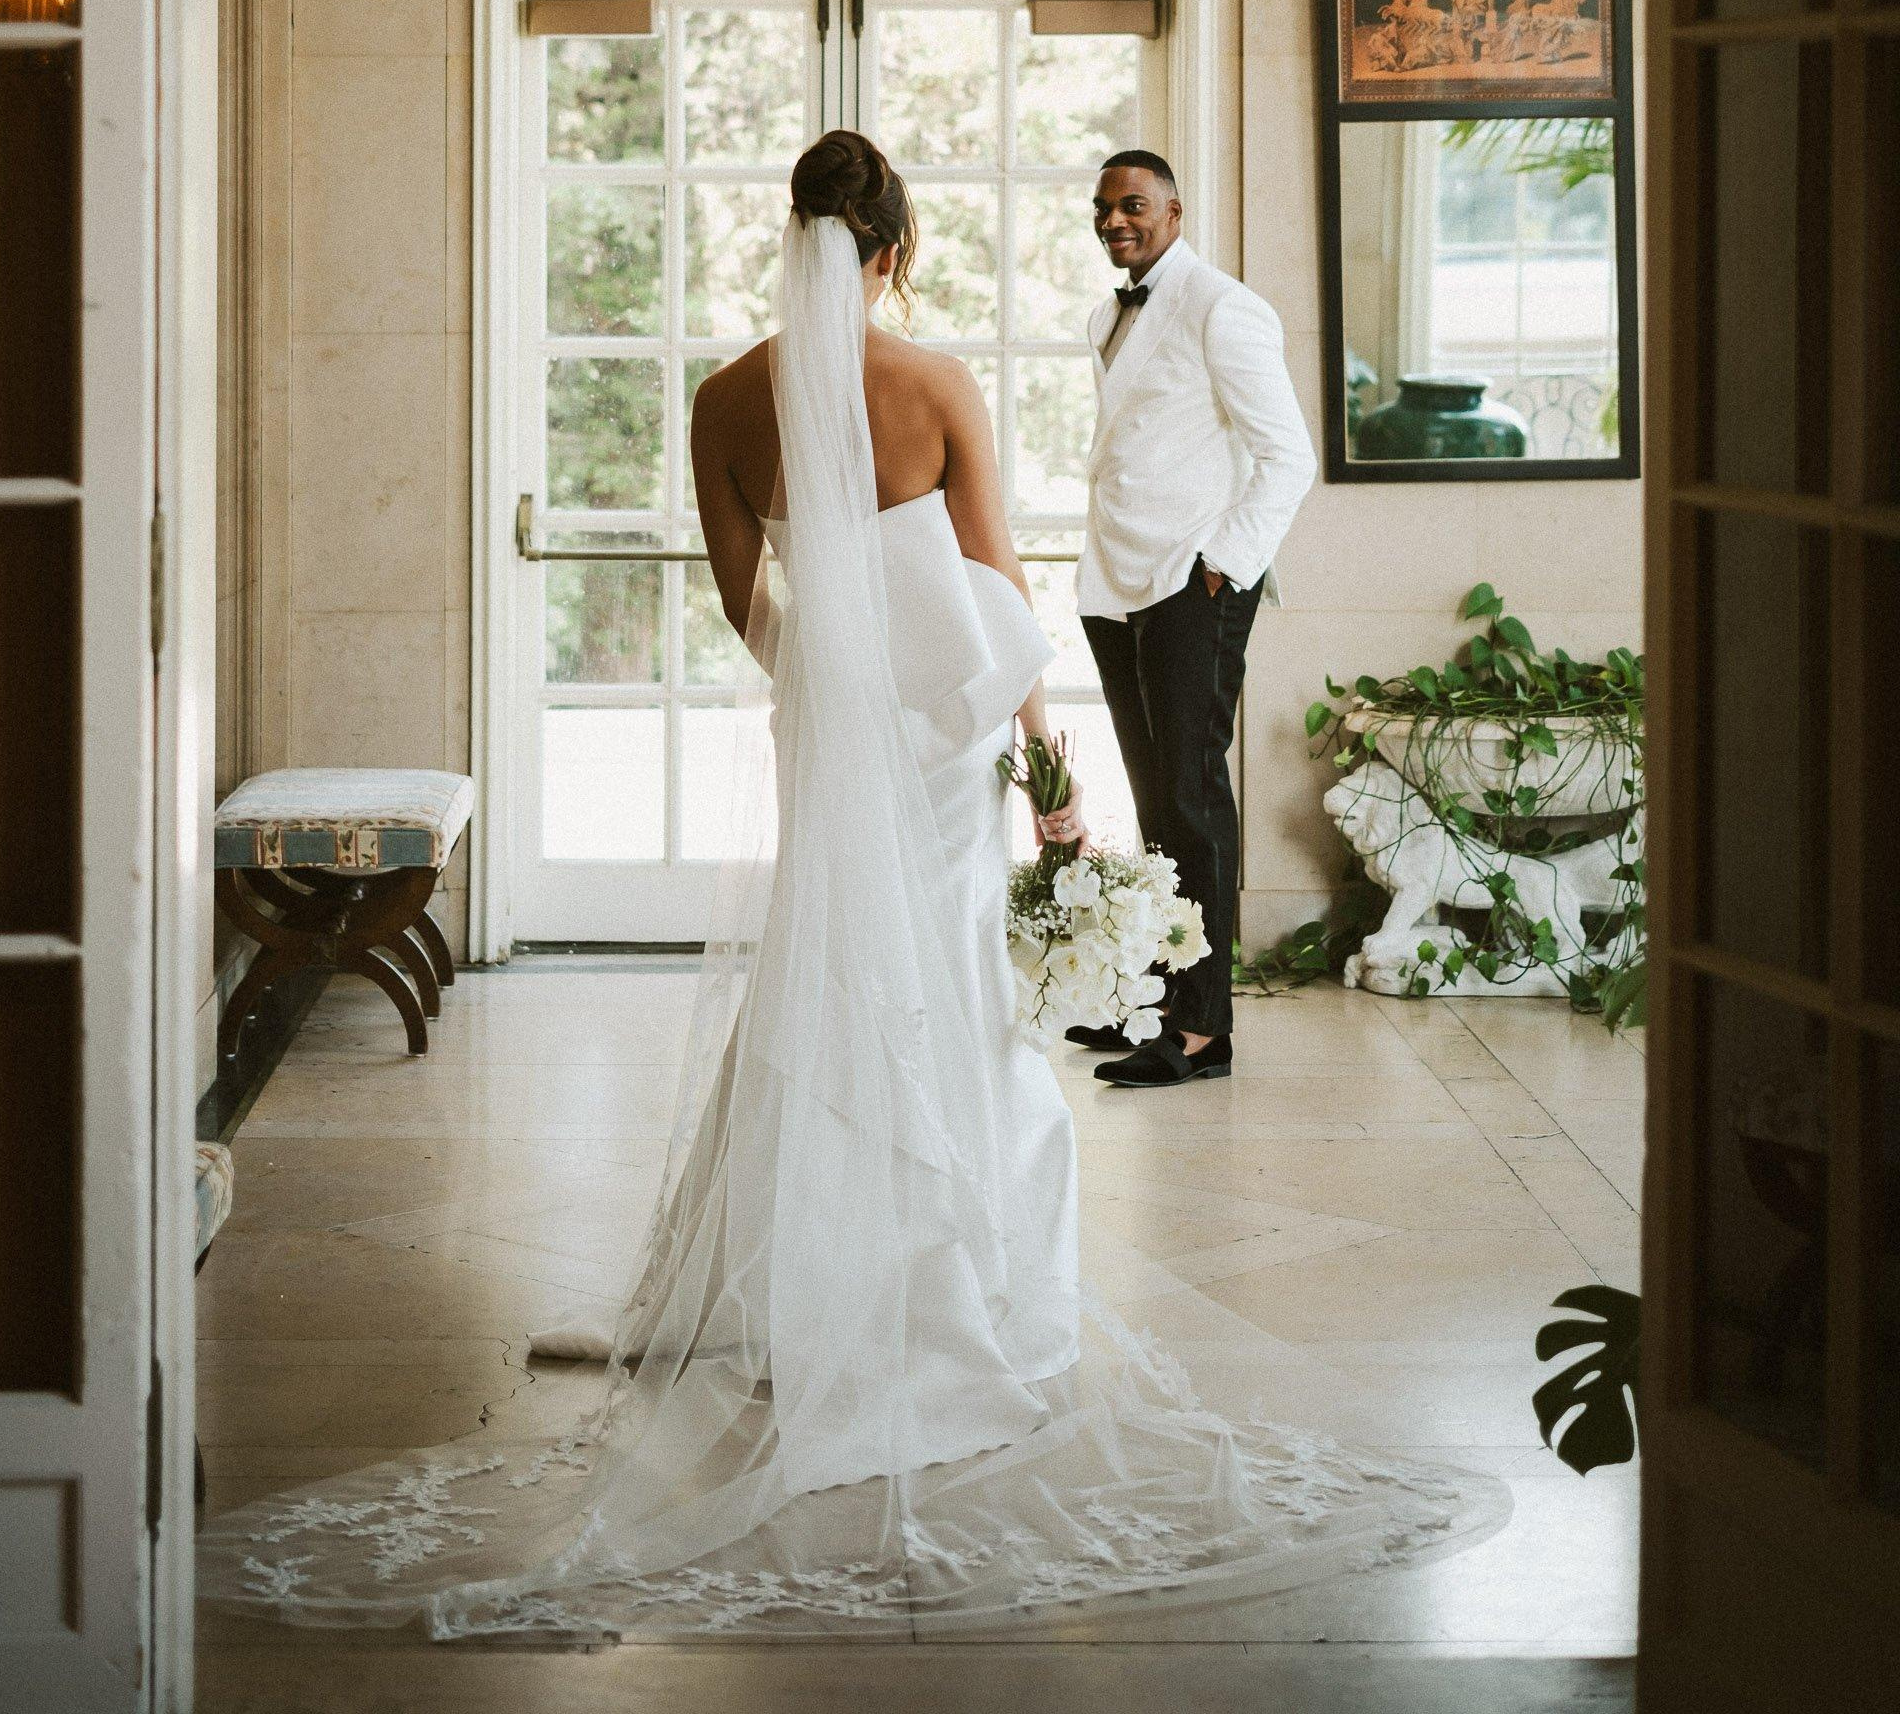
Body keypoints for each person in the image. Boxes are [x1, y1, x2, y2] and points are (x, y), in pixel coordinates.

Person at [197, 132, 1497, 1642]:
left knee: (819, 965)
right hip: (948, 741)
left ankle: (796, 1271)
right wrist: (1044, 750)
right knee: (943, 978)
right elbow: (998, 579)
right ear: (895, 250)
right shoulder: (939, 387)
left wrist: (824, 690)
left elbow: (745, 590)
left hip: (832, 731)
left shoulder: (725, 401)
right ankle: (950, 1285)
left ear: (798, 239)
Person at [1070, 152, 1317, 1089]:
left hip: (1190, 583)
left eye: (1131, 205)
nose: (1113, 220)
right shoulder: (1108, 315)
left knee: (1194, 798)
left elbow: (1285, 456)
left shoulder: (1224, 306)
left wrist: (1222, 569)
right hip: (1116, 583)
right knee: (1155, 800)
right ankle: (1160, 1001)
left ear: (1174, 209)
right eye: (1102, 208)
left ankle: (1204, 1030)